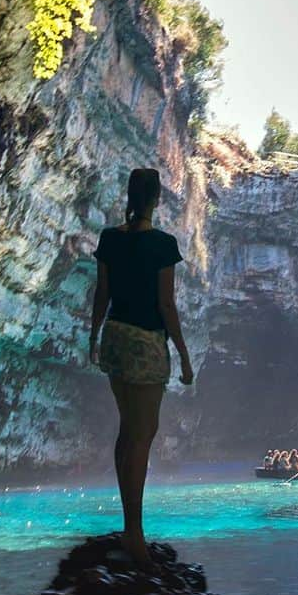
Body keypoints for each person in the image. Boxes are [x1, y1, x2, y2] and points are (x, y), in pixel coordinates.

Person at [89, 167, 193, 569]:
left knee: (127, 430)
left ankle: (130, 526)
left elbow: (103, 292)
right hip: (147, 342)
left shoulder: (109, 238)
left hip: (115, 337)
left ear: (131, 196)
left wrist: (94, 335)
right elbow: (166, 304)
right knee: (143, 435)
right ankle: (134, 533)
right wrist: (182, 353)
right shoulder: (163, 244)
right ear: (157, 199)